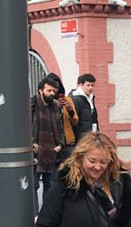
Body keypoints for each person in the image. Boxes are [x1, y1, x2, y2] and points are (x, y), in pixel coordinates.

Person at [31, 75, 66, 215]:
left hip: (52, 152)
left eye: (54, 91)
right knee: (33, 185)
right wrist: (31, 142)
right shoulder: (31, 105)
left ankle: (46, 213)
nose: (52, 94)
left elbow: (61, 128)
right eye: (49, 90)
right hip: (35, 152)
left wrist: (61, 145)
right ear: (41, 90)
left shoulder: (55, 107)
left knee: (50, 184)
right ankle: (34, 214)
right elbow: (24, 126)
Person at [47, 73, 80, 162]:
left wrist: (70, 110)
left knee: (70, 168)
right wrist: (56, 107)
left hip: (67, 141)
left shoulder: (67, 100)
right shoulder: (45, 102)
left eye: (57, 87)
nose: (55, 90)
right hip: (52, 143)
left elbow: (75, 121)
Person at [70, 74, 98, 142]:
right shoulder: (76, 99)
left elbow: (94, 119)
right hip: (81, 139)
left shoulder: (90, 98)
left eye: (92, 85)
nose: (90, 88)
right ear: (81, 85)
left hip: (92, 136)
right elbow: (74, 121)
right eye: (88, 85)